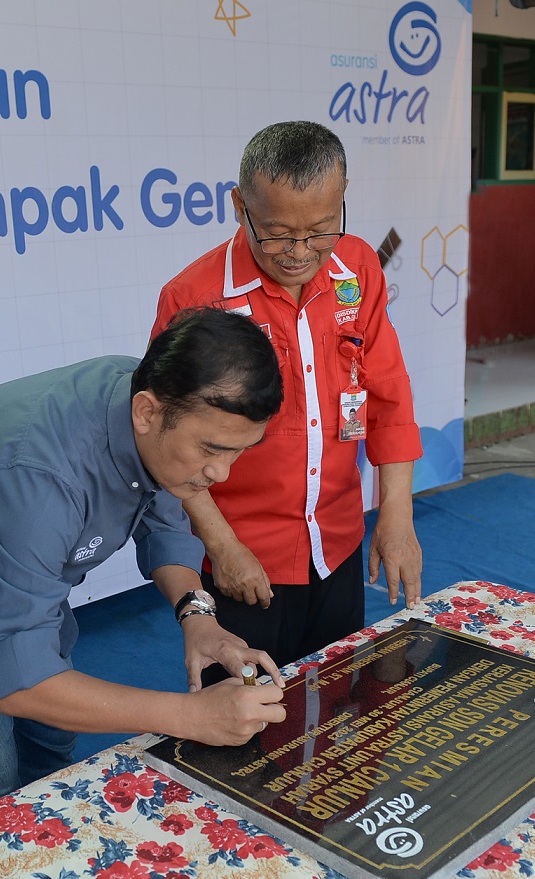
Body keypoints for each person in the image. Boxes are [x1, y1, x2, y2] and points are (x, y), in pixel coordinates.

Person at [0, 309, 290, 819]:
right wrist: (188, 715)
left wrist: (198, 616)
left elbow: (167, 507)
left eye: (239, 452)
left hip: (23, 566)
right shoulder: (39, 479)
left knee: (52, 741)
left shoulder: (152, 399)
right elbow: (22, 682)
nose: (220, 473)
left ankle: (45, 831)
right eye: (212, 450)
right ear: (147, 412)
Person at [151, 121, 424, 676]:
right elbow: (168, 445)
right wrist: (222, 546)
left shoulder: (357, 268)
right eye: (276, 234)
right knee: (246, 727)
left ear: (343, 199)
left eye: (321, 230)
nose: (300, 253)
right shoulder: (195, 298)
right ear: (239, 206)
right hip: (244, 562)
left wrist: (396, 513)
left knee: (345, 711)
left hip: (339, 543)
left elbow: (388, 395)